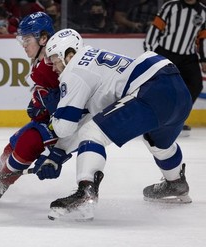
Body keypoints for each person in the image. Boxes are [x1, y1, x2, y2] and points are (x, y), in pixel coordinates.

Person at [32, 28, 192, 221]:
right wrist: (58, 154)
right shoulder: (92, 60)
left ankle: (86, 193)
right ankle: (175, 183)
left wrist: (56, 113)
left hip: (151, 90)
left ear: (69, 54)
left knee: (91, 134)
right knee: (157, 143)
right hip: (177, 88)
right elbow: (94, 117)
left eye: (55, 60)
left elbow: (65, 127)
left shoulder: (74, 71)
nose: (54, 67)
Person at [0, 12, 60, 205]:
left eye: (27, 39)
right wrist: (37, 103)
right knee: (13, 143)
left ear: (43, 38)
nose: (24, 44)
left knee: (27, 142)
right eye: (22, 40)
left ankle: (1, 183)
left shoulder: (54, 61)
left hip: (62, 121)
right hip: (48, 119)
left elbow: (67, 96)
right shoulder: (40, 60)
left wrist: (45, 106)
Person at [144, 0, 206, 136]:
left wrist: (203, 59)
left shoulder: (203, 11)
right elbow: (155, 28)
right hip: (166, 52)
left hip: (188, 56)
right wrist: (149, 52)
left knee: (195, 86)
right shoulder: (170, 6)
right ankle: (154, 119)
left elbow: (202, 38)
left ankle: (177, 119)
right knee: (160, 87)